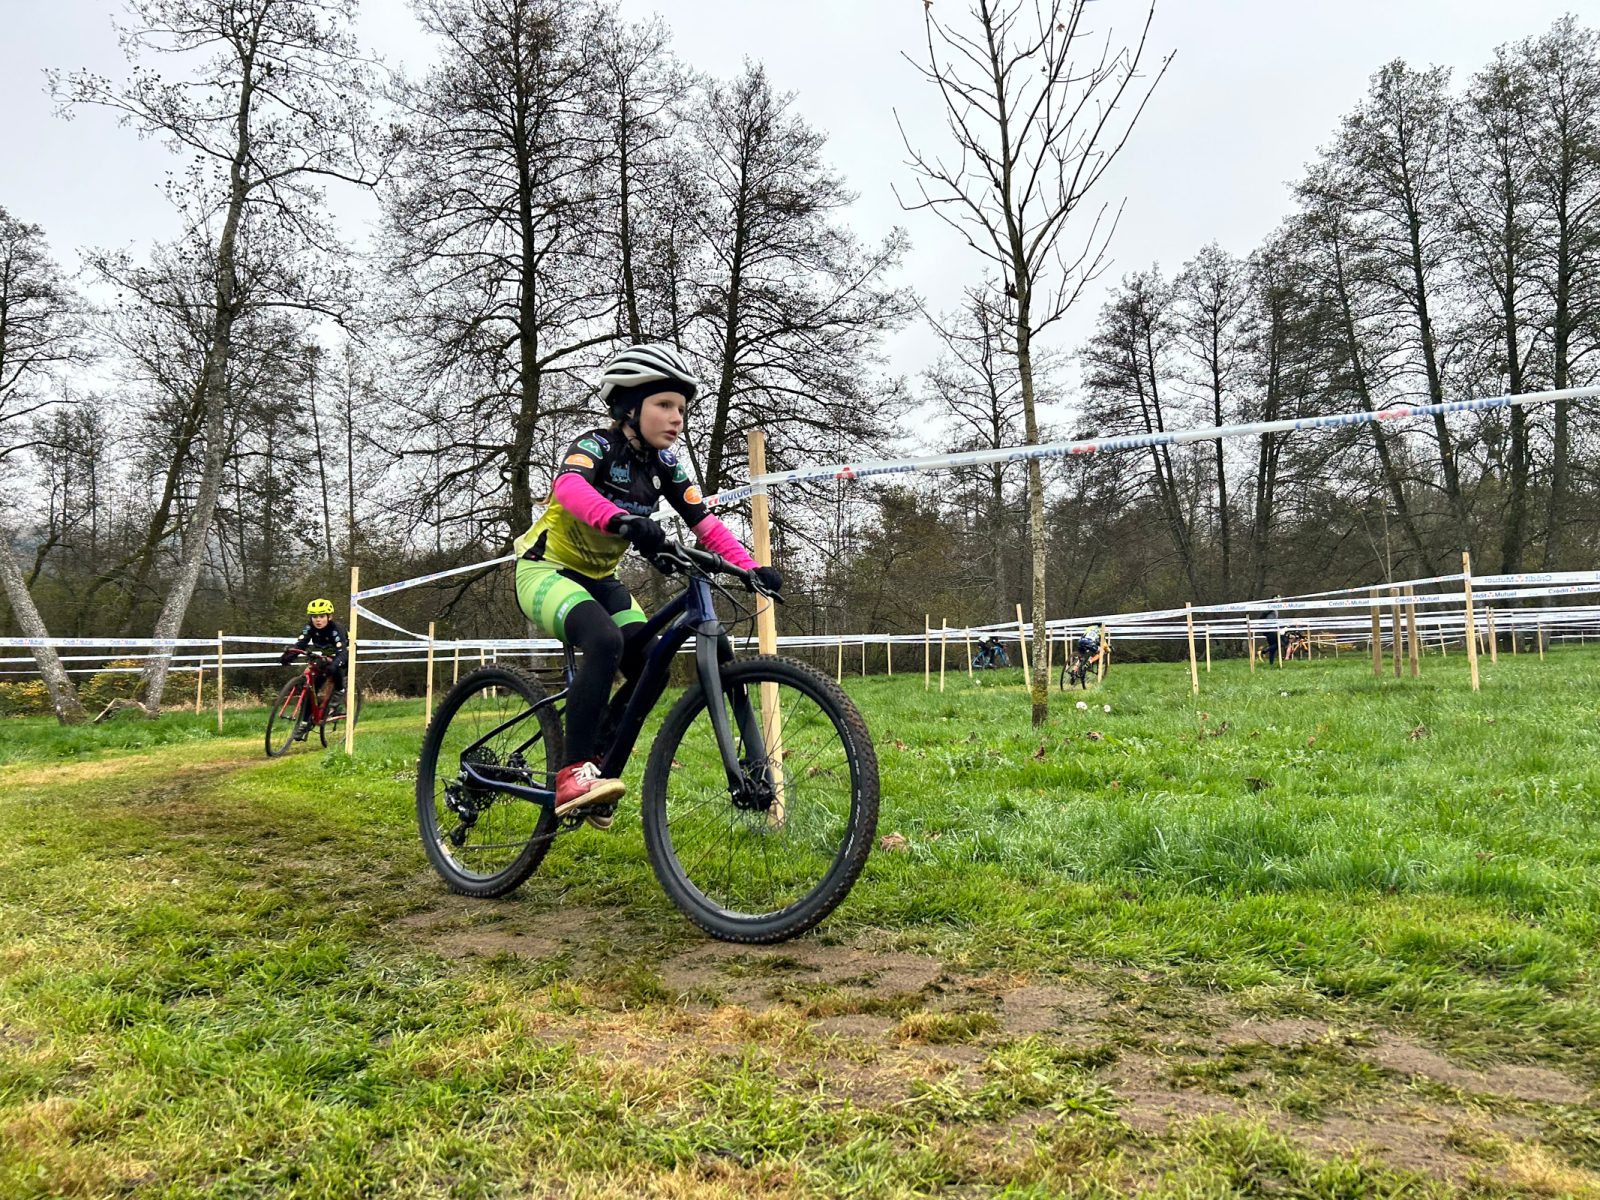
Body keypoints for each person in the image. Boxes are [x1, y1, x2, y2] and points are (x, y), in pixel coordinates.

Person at [512, 343, 781, 827]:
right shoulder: (596, 445)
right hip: (545, 570)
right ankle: (571, 773)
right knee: (605, 640)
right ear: (629, 408)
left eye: (682, 409)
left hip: (601, 581)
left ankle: (599, 758)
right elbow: (569, 488)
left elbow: (704, 523)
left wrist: (751, 568)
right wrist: (621, 520)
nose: (677, 418)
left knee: (651, 663)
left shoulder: (667, 466)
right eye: (664, 405)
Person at [279, 598, 349, 739]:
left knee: (336, 669)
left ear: (329, 617)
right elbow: (301, 643)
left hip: (344, 654)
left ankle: (339, 693)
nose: (318, 620)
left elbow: (342, 653)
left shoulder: (336, 630)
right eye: (314, 616)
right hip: (326, 655)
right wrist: (289, 656)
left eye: (322, 616)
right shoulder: (309, 627)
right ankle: (306, 722)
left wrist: (334, 664)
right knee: (313, 685)